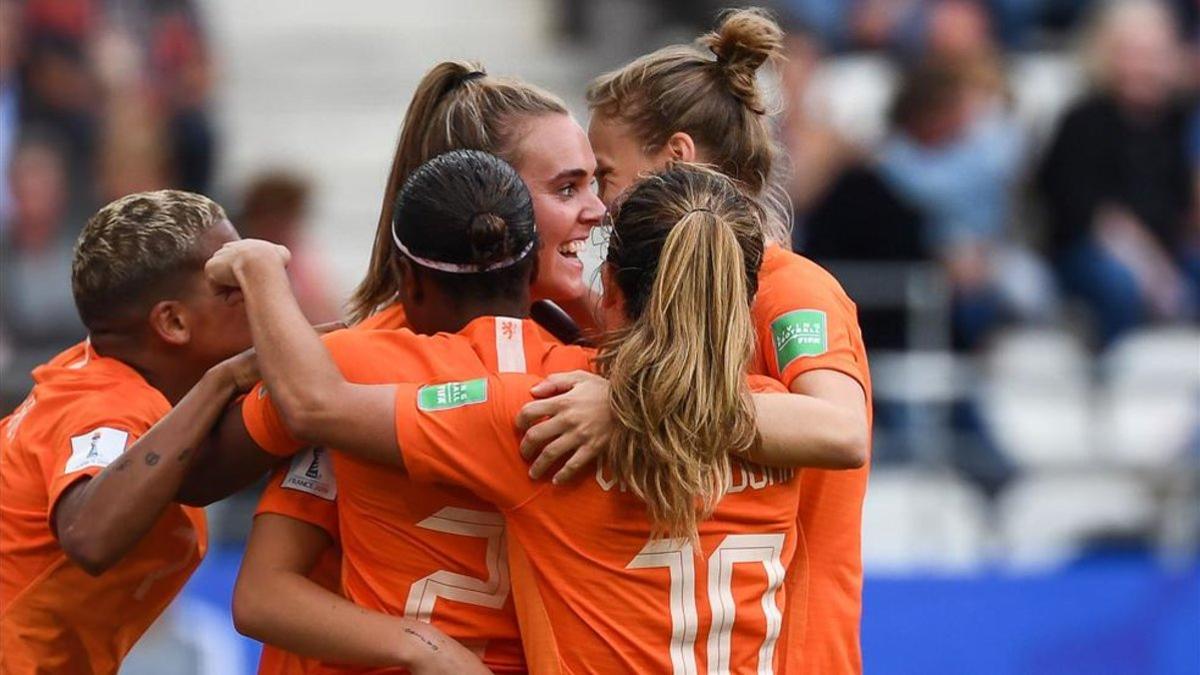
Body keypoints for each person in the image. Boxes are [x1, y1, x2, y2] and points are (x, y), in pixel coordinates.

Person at [209, 162, 817, 673]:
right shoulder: (785, 425)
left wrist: (261, 270)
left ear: (607, 286)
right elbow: (839, 435)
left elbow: (314, 405)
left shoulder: (547, 413)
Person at [226, 58, 603, 674]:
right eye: (567, 188)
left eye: (595, 182)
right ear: (487, 195)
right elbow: (265, 586)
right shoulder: (346, 367)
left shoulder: (593, 361)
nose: (598, 209)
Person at [541, 8, 870, 674]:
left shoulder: (790, 289)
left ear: (678, 157)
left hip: (793, 656)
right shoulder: (641, 295)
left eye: (605, 173)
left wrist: (637, 401)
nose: (600, 204)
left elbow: (841, 430)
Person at [0, 191, 251, 673]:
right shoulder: (105, 404)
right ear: (173, 321)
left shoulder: (115, 380)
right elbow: (88, 534)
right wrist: (222, 380)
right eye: (229, 284)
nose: (249, 292)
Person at [1038, 0, 1199, 346]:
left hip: (1170, 252)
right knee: (1117, 282)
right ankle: (1115, 379)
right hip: (1094, 253)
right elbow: (1083, 212)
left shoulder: (1178, 122)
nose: (1145, 66)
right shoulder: (1082, 122)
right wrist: (1151, 268)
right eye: (1133, 53)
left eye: (1154, 54)